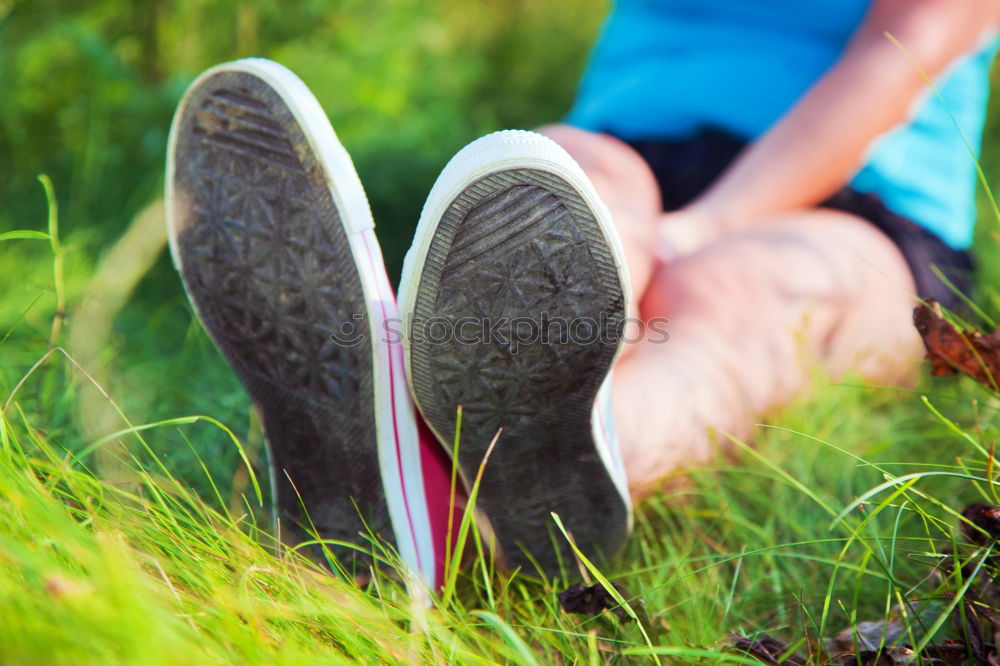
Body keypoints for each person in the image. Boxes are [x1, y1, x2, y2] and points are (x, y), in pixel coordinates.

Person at [165, 0, 999, 588]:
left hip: (863, 201)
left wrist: (701, 228)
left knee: (736, 297)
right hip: (625, 148)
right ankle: (422, 445)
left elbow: (905, 50)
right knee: (569, 190)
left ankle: (493, 484)